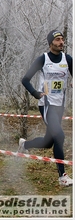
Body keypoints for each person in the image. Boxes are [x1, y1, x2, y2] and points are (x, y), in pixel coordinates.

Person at [19, 30, 73, 187]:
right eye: (57, 39)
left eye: (62, 39)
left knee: (49, 142)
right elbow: (25, 79)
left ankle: (25, 145)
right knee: (60, 136)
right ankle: (62, 176)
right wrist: (36, 93)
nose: (61, 42)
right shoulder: (43, 59)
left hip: (59, 105)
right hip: (46, 104)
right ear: (51, 43)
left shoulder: (67, 59)